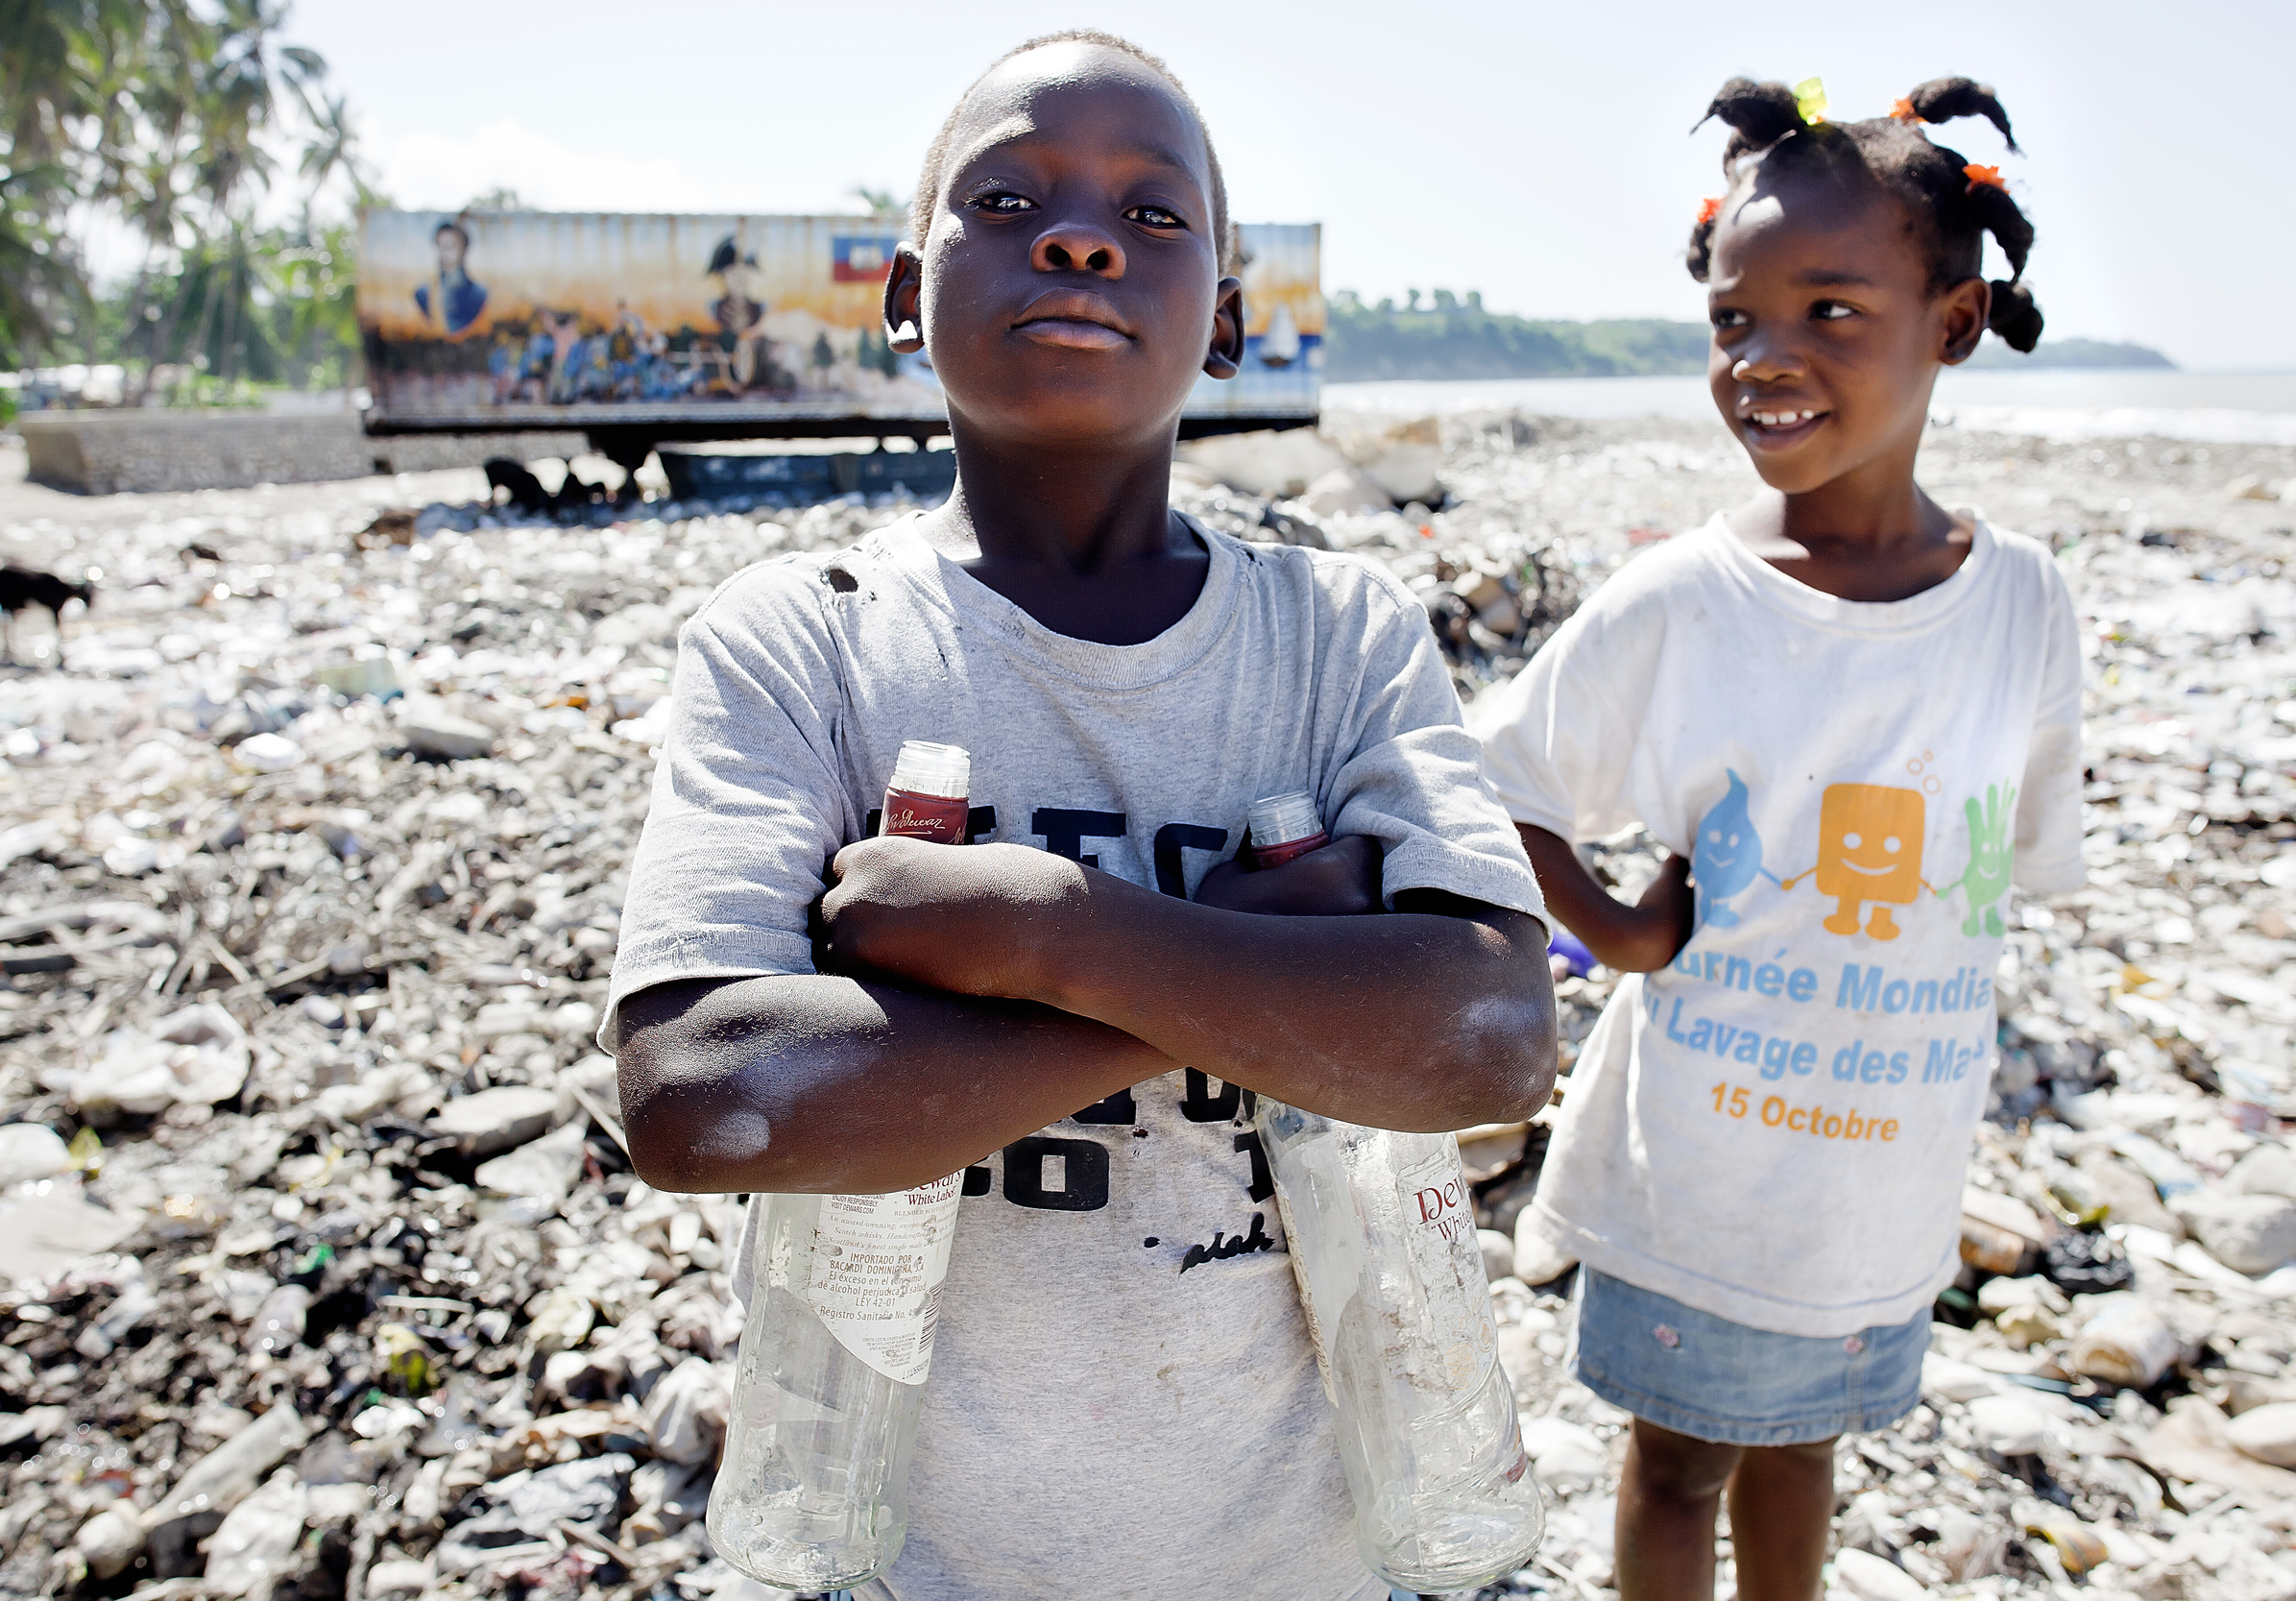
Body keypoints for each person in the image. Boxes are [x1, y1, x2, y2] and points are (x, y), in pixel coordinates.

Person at [606, 31, 1558, 1601]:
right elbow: (698, 1093)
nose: (1079, 233)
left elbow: (1491, 1034)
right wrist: (1241, 960)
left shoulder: (1339, 637)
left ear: (1232, 322)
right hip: (921, 1559)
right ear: (906, 296)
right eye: (1007, 196)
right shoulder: (802, 640)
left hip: (1299, 1555)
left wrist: (1044, 930)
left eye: (1155, 213)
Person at [1479, 76, 2084, 1601]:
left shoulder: (2024, 605)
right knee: (1677, 1461)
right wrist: (1610, 931)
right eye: (1734, 320)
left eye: (1828, 309)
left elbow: (2004, 871)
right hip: (1701, 1168)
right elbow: (1491, 779)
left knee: (1810, 1445)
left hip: (1888, 1171)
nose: (1767, 358)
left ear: (1950, 324)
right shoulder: (1684, 596)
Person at [413, 219, 489, 335]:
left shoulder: (478, 293)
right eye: (441, 246)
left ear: (463, 249)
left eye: (451, 246)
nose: (445, 253)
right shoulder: (423, 292)